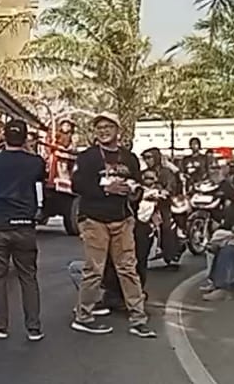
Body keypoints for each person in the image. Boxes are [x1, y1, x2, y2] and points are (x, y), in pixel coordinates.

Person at [69, 112, 156, 338]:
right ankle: (83, 316)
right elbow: (76, 185)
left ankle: (138, 317)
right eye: (99, 127)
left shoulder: (129, 158)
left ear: (118, 130)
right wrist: (105, 189)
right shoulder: (87, 157)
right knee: (94, 269)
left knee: (128, 268)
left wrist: (132, 192)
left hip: (123, 220)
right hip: (94, 220)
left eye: (108, 127)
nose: (104, 131)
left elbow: (138, 186)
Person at [0, 120, 47, 342]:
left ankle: (0, 326)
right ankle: (34, 327)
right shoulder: (35, 162)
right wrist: (29, 149)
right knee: (28, 277)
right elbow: (41, 174)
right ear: (25, 139)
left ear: (4, 137)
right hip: (24, 225)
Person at [139, 148, 184, 266]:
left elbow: (171, 185)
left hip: (163, 204)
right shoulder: (143, 173)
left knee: (166, 226)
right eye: (145, 158)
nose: (147, 160)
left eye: (150, 157)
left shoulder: (166, 172)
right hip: (147, 203)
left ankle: (171, 251)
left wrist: (165, 192)